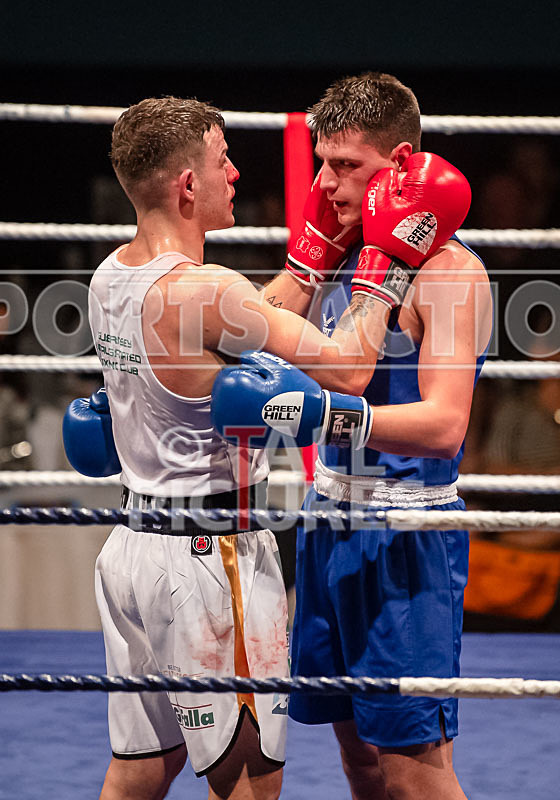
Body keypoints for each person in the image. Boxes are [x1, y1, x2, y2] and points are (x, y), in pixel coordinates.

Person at [62, 95, 443, 800]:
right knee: (247, 786)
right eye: (221, 160)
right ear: (187, 187)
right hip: (213, 562)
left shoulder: (110, 275)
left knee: (142, 769)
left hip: (132, 554)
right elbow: (348, 369)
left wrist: (307, 264)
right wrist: (386, 260)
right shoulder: (210, 289)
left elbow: (234, 329)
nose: (234, 174)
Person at [212, 72, 492, 800]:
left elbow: (445, 424)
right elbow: (245, 336)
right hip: (328, 522)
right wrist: (305, 264)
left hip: (407, 535)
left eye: (347, 167)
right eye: (322, 163)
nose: (328, 184)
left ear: (401, 165)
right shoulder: (338, 251)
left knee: (415, 772)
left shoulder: (450, 275)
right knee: (358, 758)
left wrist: (334, 418)